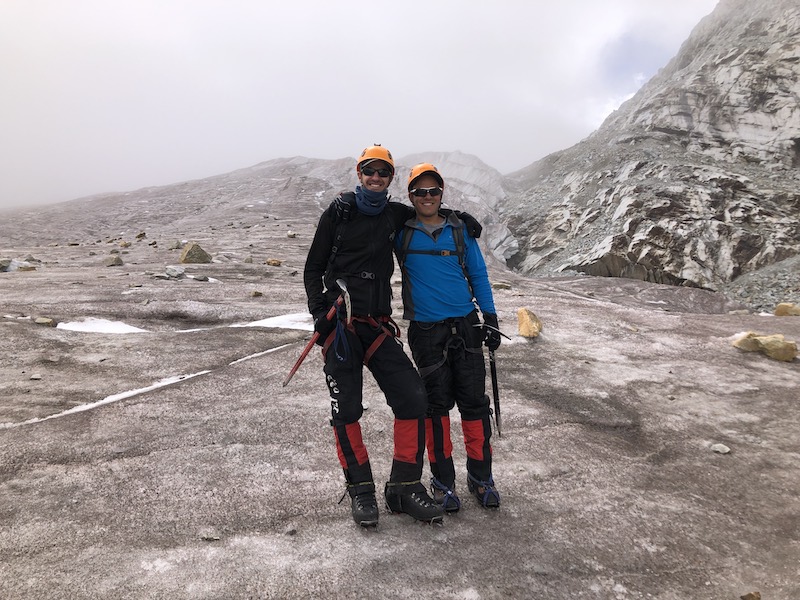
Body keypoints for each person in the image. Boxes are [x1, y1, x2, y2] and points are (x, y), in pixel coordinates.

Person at [303, 145, 444, 527]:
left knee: (413, 397)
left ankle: (404, 488)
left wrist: (460, 219)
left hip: (378, 325)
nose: (376, 177)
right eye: (370, 170)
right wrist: (320, 314)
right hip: (342, 328)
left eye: (383, 172)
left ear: (391, 178)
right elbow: (313, 267)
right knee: (346, 410)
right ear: (360, 172)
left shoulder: (394, 215)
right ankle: (361, 491)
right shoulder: (339, 211)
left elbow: (429, 212)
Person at [395, 163, 502, 512]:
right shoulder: (401, 233)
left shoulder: (460, 231)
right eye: (420, 192)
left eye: (433, 191)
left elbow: (479, 274)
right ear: (410, 196)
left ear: (442, 193)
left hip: (466, 326)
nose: (427, 197)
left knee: (474, 405)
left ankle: (481, 477)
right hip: (426, 332)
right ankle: (443, 482)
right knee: (436, 410)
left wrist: (490, 316)